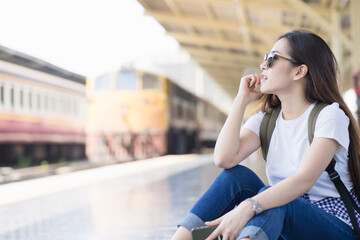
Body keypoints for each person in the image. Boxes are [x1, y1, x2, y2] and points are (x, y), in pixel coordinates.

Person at [171, 30, 360, 240]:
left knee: (273, 200)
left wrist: (249, 206)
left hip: (336, 227)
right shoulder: (267, 120)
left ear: (299, 72)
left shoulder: (330, 115)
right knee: (236, 178)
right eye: (265, 59)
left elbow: (303, 180)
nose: (263, 66)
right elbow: (224, 158)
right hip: (289, 220)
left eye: (272, 59)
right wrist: (241, 100)